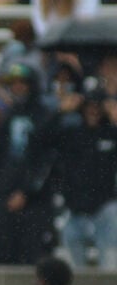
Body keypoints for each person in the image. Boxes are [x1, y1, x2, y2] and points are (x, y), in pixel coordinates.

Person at [0, 61, 58, 265]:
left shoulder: (44, 115)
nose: (17, 88)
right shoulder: (8, 116)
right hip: (2, 196)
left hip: (35, 203)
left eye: (22, 83)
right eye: (13, 83)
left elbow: (46, 160)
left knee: (31, 254)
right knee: (0, 251)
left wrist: (26, 192)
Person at [54, 89, 117, 269]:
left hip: (105, 206)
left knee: (110, 263)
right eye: (89, 106)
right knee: (73, 266)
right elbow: (41, 140)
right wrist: (59, 112)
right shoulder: (71, 134)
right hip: (75, 207)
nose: (93, 111)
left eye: (98, 107)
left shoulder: (111, 133)